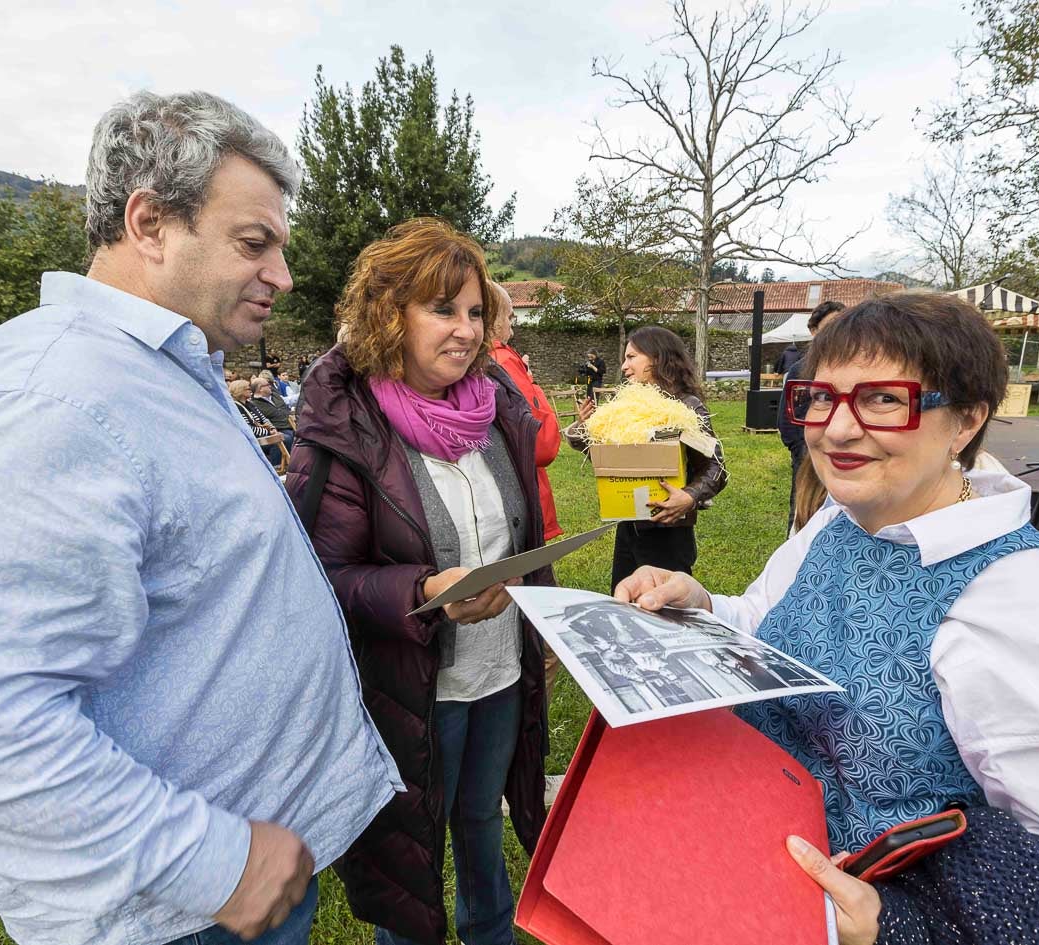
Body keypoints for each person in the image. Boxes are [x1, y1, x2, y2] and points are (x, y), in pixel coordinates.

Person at [0, 90, 401, 945]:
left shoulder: (156, 369)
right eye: (253, 243)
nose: (283, 275)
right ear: (150, 222)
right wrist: (212, 862)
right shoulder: (46, 404)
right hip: (181, 910)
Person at [614, 292, 1039, 945]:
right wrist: (705, 604)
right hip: (754, 888)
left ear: (966, 419)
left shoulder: (1032, 605)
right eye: (821, 397)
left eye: (883, 399)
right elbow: (773, 625)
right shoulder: (842, 519)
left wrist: (897, 928)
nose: (834, 429)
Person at [286, 218, 550, 945]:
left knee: (478, 820)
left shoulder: (498, 414)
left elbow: (521, 538)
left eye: (474, 312)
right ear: (387, 312)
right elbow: (319, 577)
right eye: (442, 309)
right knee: (411, 849)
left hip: (498, 673)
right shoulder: (347, 430)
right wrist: (422, 589)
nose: (465, 331)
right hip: (404, 686)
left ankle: (490, 931)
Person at [571, 326, 729, 589]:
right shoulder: (626, 409)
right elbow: (603, 456)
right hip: (628, 528)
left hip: (668, 535)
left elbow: (717, 467)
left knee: (665, 616)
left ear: (656, 358)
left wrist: (689, 497)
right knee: (624, 605)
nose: (624, 366)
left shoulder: (687, 406)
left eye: (631, 357)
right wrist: (585, 428)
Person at [489, 282, 562, 541]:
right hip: (519, 497)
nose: (512, 325)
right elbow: (542, 444)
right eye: (509, 316)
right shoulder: (503, 359)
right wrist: (530, 383)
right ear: (492, 318)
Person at [779, 300, 846, 527]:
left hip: (846, 455)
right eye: (830, 327)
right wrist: (803, 452)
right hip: (809, 455)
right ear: (814, 331)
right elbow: (787, 419)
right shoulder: (801, 369)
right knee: (803, 510)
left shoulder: (857, 367)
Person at [250, 375, 296, 450]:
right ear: (260, 389)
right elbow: (262, 421)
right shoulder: (254, 404)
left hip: (292, 423)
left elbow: (287, 406)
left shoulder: (275, 395)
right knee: (290, 437)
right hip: (280, 428)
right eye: (267, 385)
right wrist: (273, 430)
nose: (270, 386)